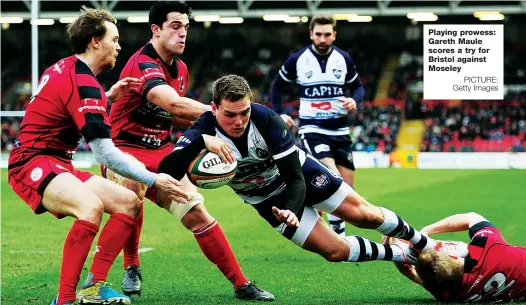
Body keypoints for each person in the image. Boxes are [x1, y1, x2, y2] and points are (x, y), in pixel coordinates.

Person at [158, 75, 458, 276]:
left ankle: (427, 245)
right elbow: (168, 169)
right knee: (335, 252)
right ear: (213, 108)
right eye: (230, 115)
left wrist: (292, 208)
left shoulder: (266, 119)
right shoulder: (203, 128)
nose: (238, 122)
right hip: (265, 200)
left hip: (300, 176)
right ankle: (403, 255)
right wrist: (202, 140)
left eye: (244, 113)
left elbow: (295, 178)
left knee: (365, 216)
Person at [83, 1, 274, 301]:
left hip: (163, 153)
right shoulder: (142, 63)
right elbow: (173, 104)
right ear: (155, 30)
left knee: (196, 212)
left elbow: (175, 115)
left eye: (186, 27)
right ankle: (114, 275)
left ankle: (241, 283)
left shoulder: (182, 69)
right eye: (175, 26)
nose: (183, 33)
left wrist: (205, 135)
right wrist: (228, 118)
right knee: (132, 194)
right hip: (124, 150)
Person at [7, 6, 187, 305]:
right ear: (95, 41)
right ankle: (65, 300)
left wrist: (107, 97)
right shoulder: (84, 83)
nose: (119, 46)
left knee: (128, 202)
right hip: (32, 161)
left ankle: (93, 286)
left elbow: (64, 105)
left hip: (57, 161)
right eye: (114, 40)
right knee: (90, 207)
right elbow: (105, 154)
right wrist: (155, 179)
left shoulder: (64, 67)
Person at [270, 14, 365, 238]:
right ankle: (340, 239)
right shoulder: (298, 59)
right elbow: (276, 87)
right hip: (312, 128)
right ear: (311, 34)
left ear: (334, 35)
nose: (323, 39)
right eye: (318, 34)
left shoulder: (344, 59)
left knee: (349, 191)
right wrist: (280, 112)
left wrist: (355, 100)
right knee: (333, 176)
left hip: (341, 131)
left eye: (327, 34)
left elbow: (359, 89)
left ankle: (319, 215)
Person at [388, 212, 526, 302]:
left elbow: (411, 274)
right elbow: (471, 217)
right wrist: (426, 231)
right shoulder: (489, 249)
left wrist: (394, 248)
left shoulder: (447, 293)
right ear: (453, 257)